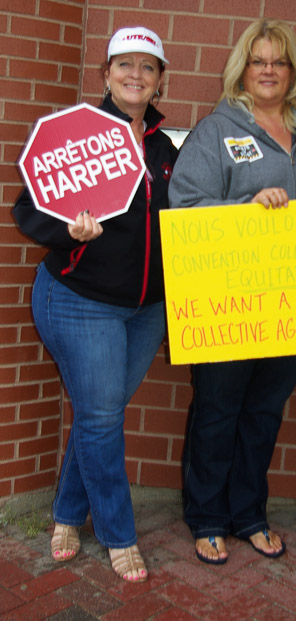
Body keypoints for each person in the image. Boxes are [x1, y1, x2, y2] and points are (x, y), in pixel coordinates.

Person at [168, 18, 296, 564]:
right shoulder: (216, 131)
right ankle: (207, 516)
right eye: (258, 61)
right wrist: (246, 208)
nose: (268, 70)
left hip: (293, 307)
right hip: (229, 304)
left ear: (293, 71)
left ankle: (248, 514)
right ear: (242, 70)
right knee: (218, 411)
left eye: (279, 61)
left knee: (264, 413)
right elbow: (185, 205)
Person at [13, 27, 178, 582]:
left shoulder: (164, 149)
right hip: (80, 301)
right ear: (106, 74)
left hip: (147, 310)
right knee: (103, 419)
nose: (136, 75)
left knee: (96, 416)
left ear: (160, 81)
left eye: (148, 66)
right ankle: (117, 533)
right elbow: (27, 211)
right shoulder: (77, 135)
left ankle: (66, 515)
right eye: (124, 64)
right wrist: (68, 230)